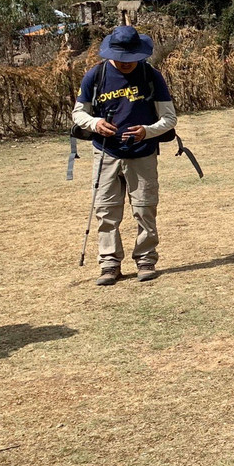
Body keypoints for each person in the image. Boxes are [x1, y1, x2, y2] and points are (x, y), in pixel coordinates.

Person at [72, 26, 177, 286]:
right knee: (105, 210)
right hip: (106, 152)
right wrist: (95, 123)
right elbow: (78, 114)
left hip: (143, 153)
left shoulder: (151, 76)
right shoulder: (95, 76)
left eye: (131, 58)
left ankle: (146, 260)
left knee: (145, 208)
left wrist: (148, 131)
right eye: (121, 58)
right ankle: (109, 264)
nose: (126, 63)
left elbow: (170, 118)